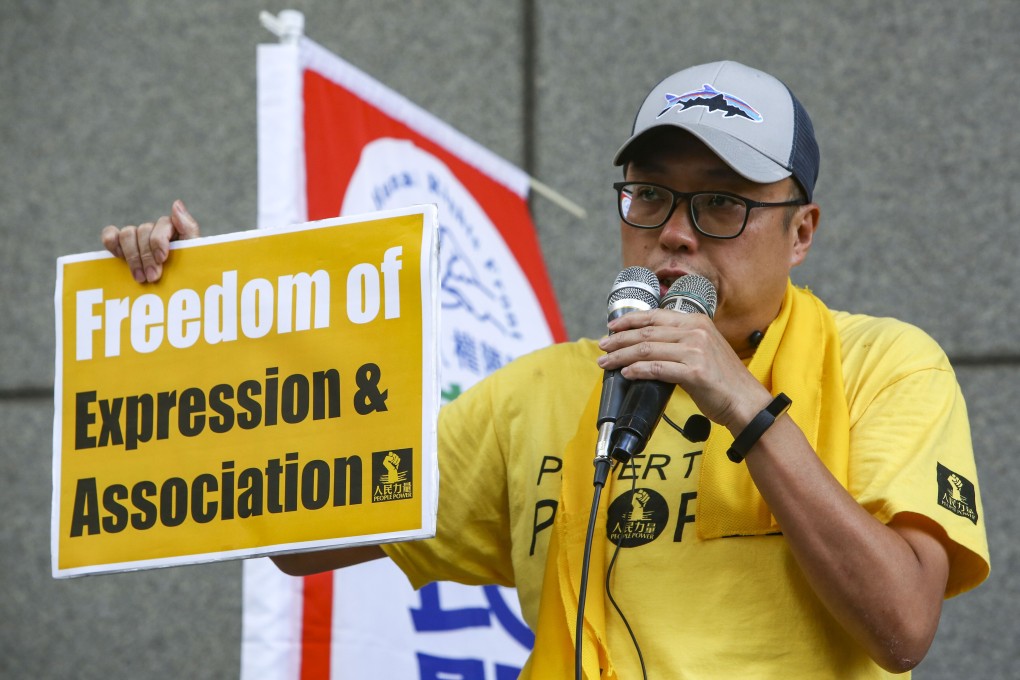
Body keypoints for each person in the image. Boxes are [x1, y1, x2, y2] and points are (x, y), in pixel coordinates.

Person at [103, 61, 989, 678]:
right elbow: (299, 538)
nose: (675, 231)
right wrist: (205, 321)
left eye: (721, 202)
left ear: (803, 232)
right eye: (649, 195)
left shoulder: (885, 364)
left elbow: (904, 627)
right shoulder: (543, 389)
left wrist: (747, 408)